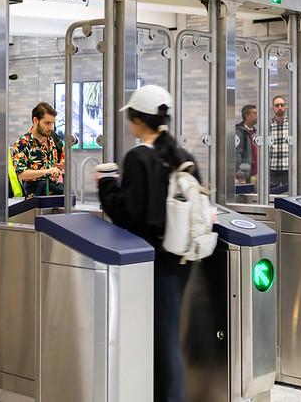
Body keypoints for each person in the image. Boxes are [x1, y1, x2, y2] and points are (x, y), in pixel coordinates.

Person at [97, 84, 198, 402]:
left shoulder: (140, 157)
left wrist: (106, 186)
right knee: (167, 334)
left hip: (152, 261)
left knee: (162, 339)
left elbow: (129, 213)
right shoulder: (182, 155)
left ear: (139, 120)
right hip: (181, 257)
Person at [12, 102, 65, 197]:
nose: (50, 127)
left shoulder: (54, 139)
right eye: (47, 123)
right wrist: (47, 171)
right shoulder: (23, 143)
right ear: (35, 120)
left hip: (55, 189)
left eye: (52, 123)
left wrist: (61, 164)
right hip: (36, 195)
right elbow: (21, 173)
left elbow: (61, 159)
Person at [269, 95, 289, 188]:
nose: (280, 107)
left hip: (289, 168)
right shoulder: (268, 125)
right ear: (273, 107)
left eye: (282, 105)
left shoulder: (293, 124)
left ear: (285, 107)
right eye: (277, 105)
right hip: (273, 169)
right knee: (273, 197)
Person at [235, 104, 258, 183]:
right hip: (245, 175)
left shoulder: (255, 132)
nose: (257, 115)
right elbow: (237, 153)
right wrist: (240, 174)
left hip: (255, 174)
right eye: (254, 113)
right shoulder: (239, 132)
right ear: (247, 116)